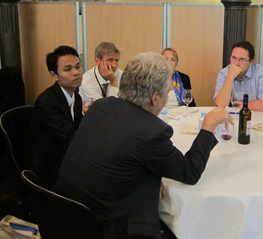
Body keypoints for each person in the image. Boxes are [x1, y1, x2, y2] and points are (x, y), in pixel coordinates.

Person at [54, 52, 232, 239]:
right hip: (103, 227)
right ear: (155, 98)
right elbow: (190, 172)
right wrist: (208, 126)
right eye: (166, 94)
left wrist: (151, 174)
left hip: (62, 215)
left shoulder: (101, 106)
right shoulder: (151, 131)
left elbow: (117, 153)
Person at [28, 46, 87, 189]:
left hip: (65, 156)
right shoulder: (46, 101)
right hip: (49, 165)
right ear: (54, 75)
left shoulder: (76, 97)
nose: (76, 72)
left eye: (78, 66)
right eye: (68, 69)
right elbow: (70, 136)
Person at [214, 41, 263, 112]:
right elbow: (221, 104)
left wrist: (238, 105)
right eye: (233, 58)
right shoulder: (224, 73)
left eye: (242, 59)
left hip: (254, 118)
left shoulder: (261, 73)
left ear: (251, 61)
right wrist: (230, 76)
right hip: (231, 118)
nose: (236, 63)